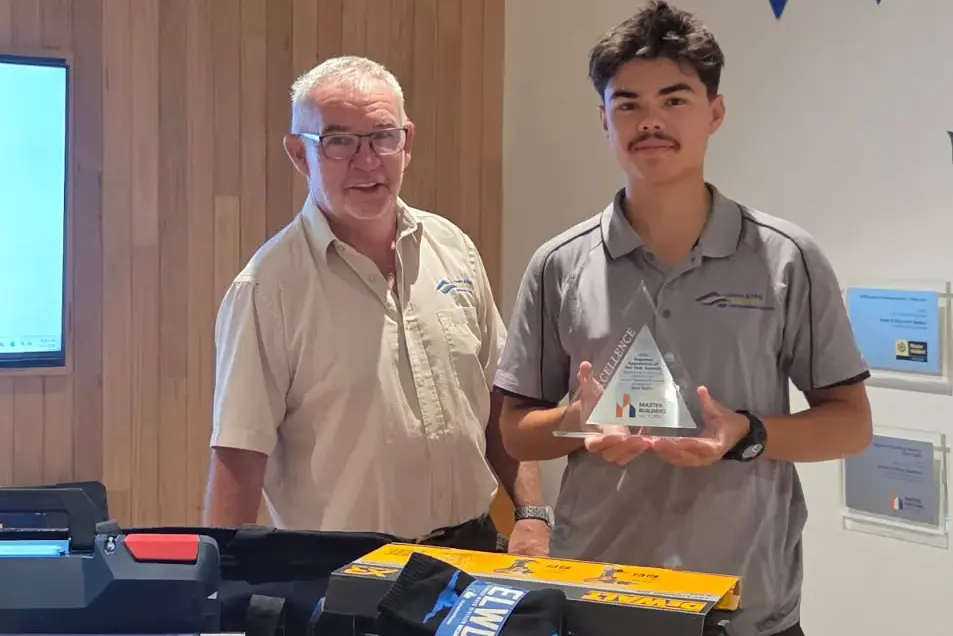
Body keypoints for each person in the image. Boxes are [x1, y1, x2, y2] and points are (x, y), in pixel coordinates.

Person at [493, 3, 872, 635]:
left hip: (745, 608)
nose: (651, 123)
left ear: (714, 113)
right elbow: (515, 433)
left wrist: (745, 434)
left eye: (675, 100)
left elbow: (851, 425)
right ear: (605, 121)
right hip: (598, 602)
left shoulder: (786, 257)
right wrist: (574, 421)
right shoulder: (558, 264)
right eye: (629, 105)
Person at [203, 55, 550, 556]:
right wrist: (215, 603)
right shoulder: (266, 290)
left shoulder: (453, 249)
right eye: (339, 141)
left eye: (382, 137)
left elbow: (501, 403)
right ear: (300, 154)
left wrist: (531, 514)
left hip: (473, 556)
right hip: (343, 576)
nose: (367, 162)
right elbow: (237, 458)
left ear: (406, 144)